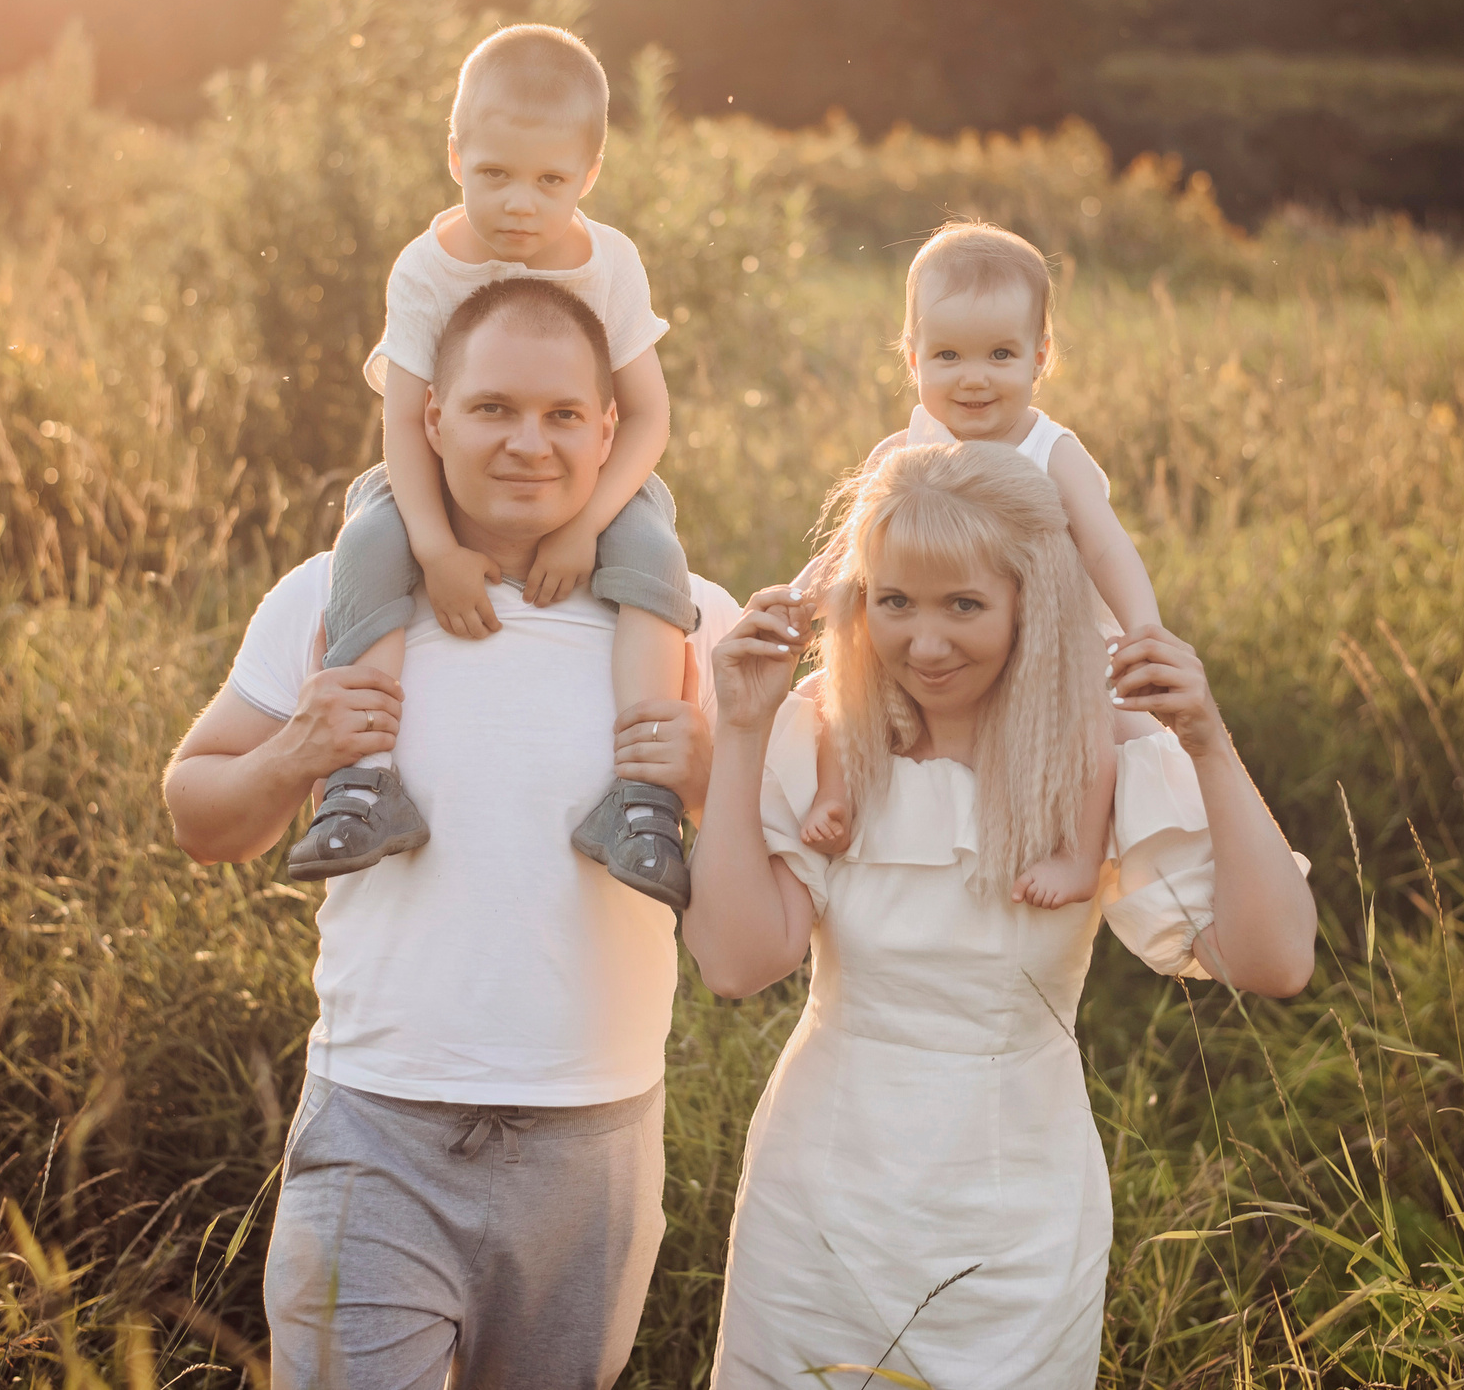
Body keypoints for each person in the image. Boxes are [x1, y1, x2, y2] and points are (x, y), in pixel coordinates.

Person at [164, 280, 734, 1390]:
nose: (530, 442)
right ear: (431, 418)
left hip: (595, 1137)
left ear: (609, 428)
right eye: (492, 408)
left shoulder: (680, 620)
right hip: (379, 1125)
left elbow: (781, 861)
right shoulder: (337, 596)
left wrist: (712, 774)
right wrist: (294, 754)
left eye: (565, 414)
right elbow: (194, 809)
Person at [687, 441, 1314, 1388]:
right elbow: (735, 964)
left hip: (1017, 1215)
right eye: (894, 601)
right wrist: (740, 731)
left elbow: (1275, 960)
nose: (924, 644)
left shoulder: (1097, 750)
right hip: (819, 1202)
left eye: (964, 605)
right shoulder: (829, 732)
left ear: (1034, 603)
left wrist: (1209, 741)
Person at [287, 23, 697, 912]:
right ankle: (364, 784)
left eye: (551, 181)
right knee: (365, 542)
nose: (520, 203)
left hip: (589, 481)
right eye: (495, 175)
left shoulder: (610, 263)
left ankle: (641, 796)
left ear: (589, 174)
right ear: (455, 155)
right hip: (437, 475)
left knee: (656, 555)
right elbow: (403, 421)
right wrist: (431, 548)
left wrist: (588, 525)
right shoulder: (429, 269)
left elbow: (649, 412)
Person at [791, 220, 1161, 910]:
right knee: (837, 681)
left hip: (1051, 641)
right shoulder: (902, 451)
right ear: (912, 358)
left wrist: (1144, 628)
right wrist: (802, 596)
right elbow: (850, 549)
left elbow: (1107, 545)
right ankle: (838, 794)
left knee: (1094, 719)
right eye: (948, 355)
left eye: (1000, 354)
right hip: (940, 630)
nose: (974, 378)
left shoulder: (1052, 450)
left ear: (1040, 356)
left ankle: (1078, 854)